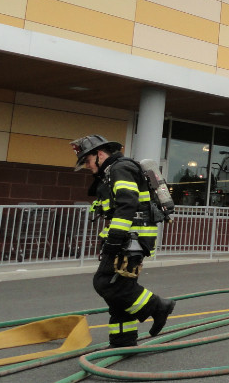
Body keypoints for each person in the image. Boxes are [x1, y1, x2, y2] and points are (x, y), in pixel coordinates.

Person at [70, 135, 176, 348]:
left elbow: (127, 205)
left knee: (105, 283)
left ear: (100, 155)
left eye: (88, 161)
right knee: (120, 290)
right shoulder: (111, 172)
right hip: (129, 239)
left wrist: (115, 239)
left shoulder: (120, 169)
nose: (88, 167)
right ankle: (123, 341)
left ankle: (158, 307)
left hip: (130, 240)